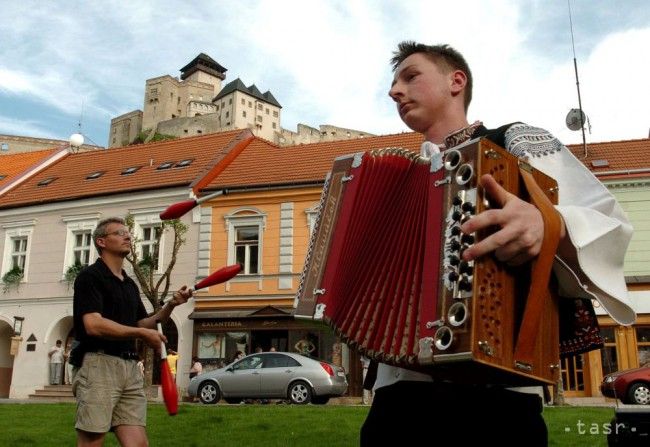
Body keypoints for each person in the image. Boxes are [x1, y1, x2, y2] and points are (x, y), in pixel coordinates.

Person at [359, 41, 635, 446]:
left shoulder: (516, 140)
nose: (394, 91)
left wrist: (549, 225)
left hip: (495, 402)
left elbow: (608, 223)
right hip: (394, 401)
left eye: (410, 76)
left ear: (457, 81)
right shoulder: (394, 180)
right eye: (393, 83)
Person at [71, 217, 193, 447]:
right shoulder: (90, 277)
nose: (128, 236)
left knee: (138, 444)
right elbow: (93, 324)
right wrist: (140, 335)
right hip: (99, 364)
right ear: (102, 242)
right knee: (92, 440)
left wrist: (171, 305)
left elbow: (144, 323)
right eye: (119, 232)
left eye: (128, 232)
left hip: (129, 368)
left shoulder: (129, 284)